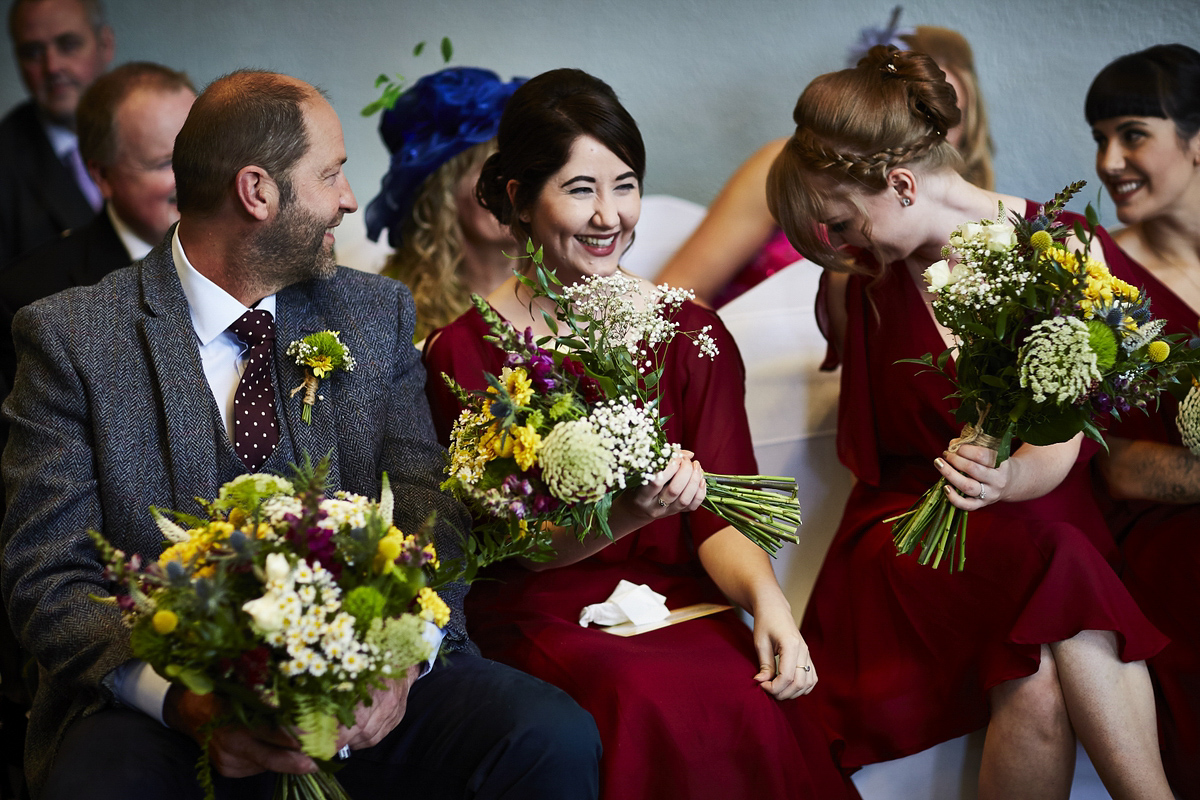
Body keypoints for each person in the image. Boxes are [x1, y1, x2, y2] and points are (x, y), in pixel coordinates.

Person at [0, 69, 601, 800]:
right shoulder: (72, 339)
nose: (349, 199)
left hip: (370, 687)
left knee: (547, 737)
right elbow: (48, 578)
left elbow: (427, 506)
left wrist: (399, 664)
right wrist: (187, 703)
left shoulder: (374, 313)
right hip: (161, 712)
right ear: (257, 192)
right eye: (332, 174)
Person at [422, 67, 856, 800]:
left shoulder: (688, 330)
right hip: (541, 610)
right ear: (521, 199)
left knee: (746, 697)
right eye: (580, 189)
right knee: (641, 698)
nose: (609, 216)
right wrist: (630, 511)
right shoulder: (461, 357)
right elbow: (510, 552)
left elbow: (722, 514)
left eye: (624, 186)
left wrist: (772, 606)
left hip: (674, 600)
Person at [765, 46, 1175, 800]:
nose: (841, 247)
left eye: (842, 223)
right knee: (1060, 560)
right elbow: (878, 440)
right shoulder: (859, 280)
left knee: (1044, 653)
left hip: (1041, 502)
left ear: (901, 182)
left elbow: (1069, 430)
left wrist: (1011, 475)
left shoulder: (1061, 251)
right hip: (911, 526)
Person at [655, 14, 994, 308]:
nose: (917, 137)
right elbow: (676, 293)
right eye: (902, 115)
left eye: (937, 118)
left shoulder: (982, 223)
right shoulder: (782, 167)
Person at [1084, 43, 1200, 800]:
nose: (1107, 160)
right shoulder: (1098, 274)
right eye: (1098, 137)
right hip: (1156, 533)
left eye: (1131, 133)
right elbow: (1106, 458)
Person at [0, 61, 196, 388]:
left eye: (200, 154)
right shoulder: (28, 297)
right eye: (166, 164)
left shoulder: (252, 258)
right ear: (101, 176)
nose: (194, 177)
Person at [364, 67, 524, 342]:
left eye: (521, 172)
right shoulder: (391, 306)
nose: (510, 191)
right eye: (492, 175)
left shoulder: (567, 292)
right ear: (444, 190)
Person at [0, 0, 114, 270]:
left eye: (68, 44)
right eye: (32, 52)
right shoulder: (5, 161)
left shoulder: (152, 129)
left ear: (105, 45)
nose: (52, 67)